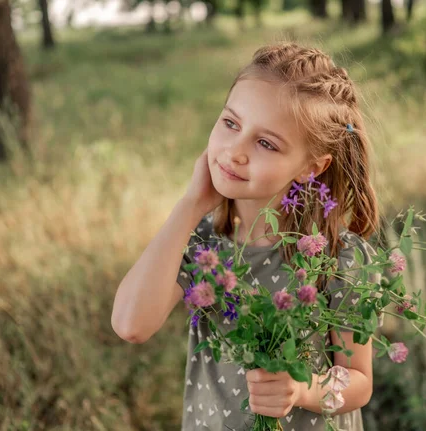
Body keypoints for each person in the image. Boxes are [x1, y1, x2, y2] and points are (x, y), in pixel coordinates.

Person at [111, 42, 382, 431]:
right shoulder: (203, 244)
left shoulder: (337, 257)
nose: (235, 152)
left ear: (311, 167)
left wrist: (304, 390)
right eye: (231, 123)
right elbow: (130, 324)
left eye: (266, 143)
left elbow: (359, 382)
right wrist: (190, 205)